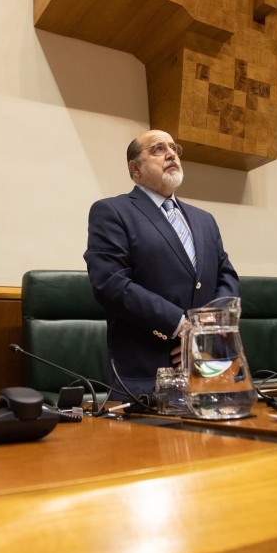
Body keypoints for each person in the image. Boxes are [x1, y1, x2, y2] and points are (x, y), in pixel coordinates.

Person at [84, 129, 239, 398]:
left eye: (174, 148)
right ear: (135, 169)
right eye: (158, 148)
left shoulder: (204, 219)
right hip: (146, 375)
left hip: (208, 368)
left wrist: (207, 331)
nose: (171, 154)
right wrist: (181, 326)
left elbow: (227, 277)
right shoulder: (112, 211)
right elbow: (110, 283)